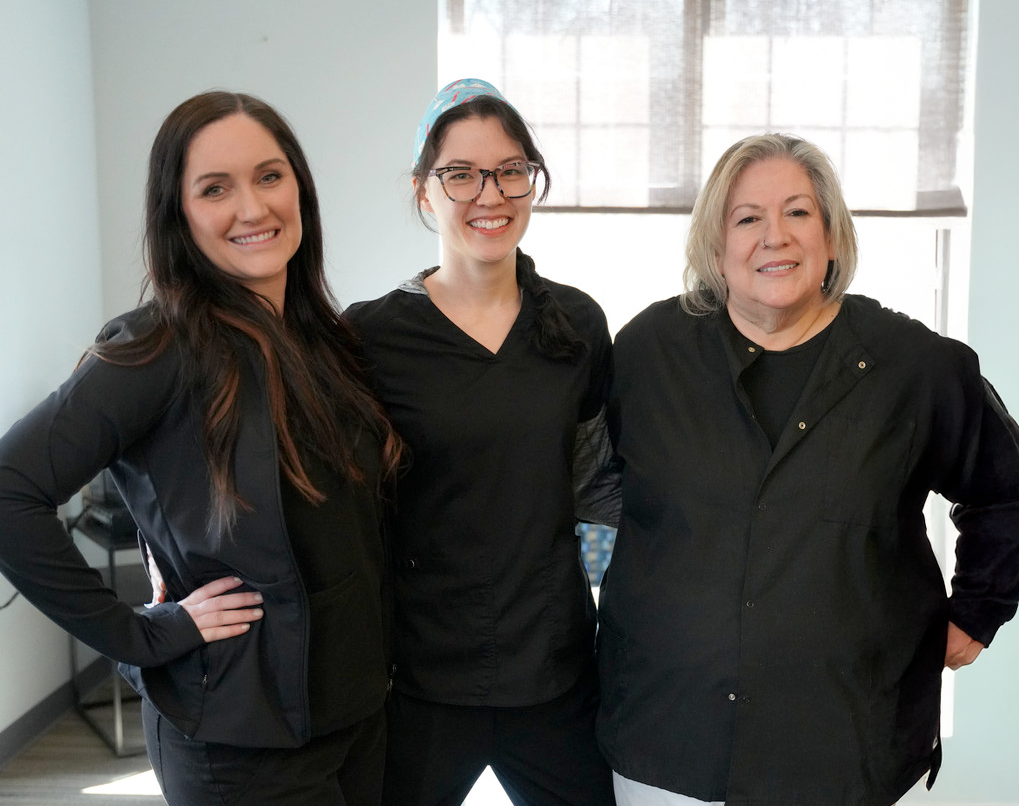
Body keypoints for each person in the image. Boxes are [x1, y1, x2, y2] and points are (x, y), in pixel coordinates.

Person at [0, 90, 403, 805]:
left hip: (356, 718)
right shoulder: (156, 349)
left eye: (269, 176)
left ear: (300, 190)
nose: (252, 209)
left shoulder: (327, 342)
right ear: (178, 214)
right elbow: (9, 489)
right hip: (237, 744)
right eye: (216, 189)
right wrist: (137, 635)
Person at [596, 133, 1019, 806]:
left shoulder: (914, 366)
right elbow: (589, 484)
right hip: (668, 741)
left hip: (847, 748)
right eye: (746, 218)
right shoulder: (647, 353)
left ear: (830, 236)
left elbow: (1007, 492)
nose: (774, 237)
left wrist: (977, 610)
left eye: (797, 213)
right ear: (715, 245)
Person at [345, 78, 617, 806]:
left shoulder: (577, 326)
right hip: (420, 676)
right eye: (460, 174)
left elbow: (600, 487)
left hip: (554, 671)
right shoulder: (367, 337)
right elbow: (331, 499)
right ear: (423, 191)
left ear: (531, 182)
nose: (489, 195)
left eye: (509, 171)